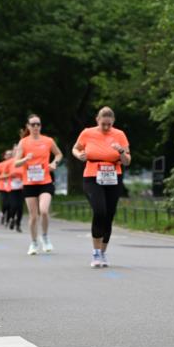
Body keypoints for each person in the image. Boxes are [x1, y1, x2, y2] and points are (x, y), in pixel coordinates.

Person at [72, 106, 131, 268]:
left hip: (113, 177)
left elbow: (127, 161)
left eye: (109, 125)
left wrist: (121, 152)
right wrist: (79, 155)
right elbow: (75, 148)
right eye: (103, 124)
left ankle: (103, 253)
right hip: (92, 176)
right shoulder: (87, 133)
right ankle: (96, 253)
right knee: (100, 211)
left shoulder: (119, 135)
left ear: (113, 122)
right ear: (97, 120)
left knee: (109, 215)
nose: (106, 127)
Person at [14, 115, 62, 255]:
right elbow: (16, 163)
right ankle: (34, 242)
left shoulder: (48, 141)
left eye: (38, 124)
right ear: (28, 126)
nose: (36, 127)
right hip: (29, 183)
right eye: (33, 124)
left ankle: (45, 237)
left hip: (45, 181)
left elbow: (59, 154)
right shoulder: (23, 142)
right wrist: (25, 159)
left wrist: (54, 163)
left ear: (40, 126)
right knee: (33, 216)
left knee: (44, 211)